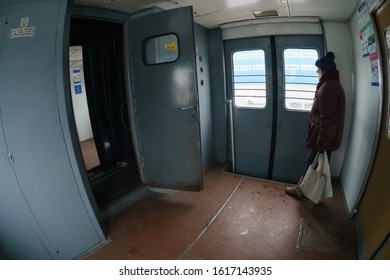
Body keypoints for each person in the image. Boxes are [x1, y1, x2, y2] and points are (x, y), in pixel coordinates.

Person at [286, 51, 346, 200]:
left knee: (311, 164)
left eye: (318, 69)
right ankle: (310, 191)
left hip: (323, 137)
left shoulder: (328, 88)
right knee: (316, 166)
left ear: (323, 70)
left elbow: (328, 119)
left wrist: (323, 142)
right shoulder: (333, 84)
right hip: (325, 136)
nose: (316, 72)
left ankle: (303, 191)